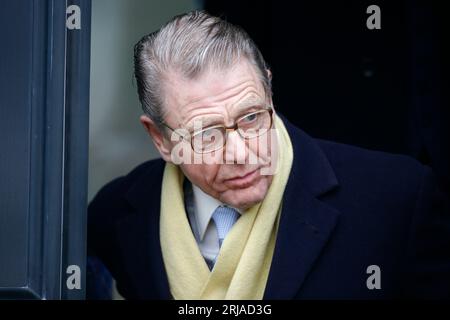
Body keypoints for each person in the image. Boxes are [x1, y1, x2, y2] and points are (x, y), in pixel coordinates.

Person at [87, 10, 450, 299]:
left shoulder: (396, 199)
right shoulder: (118, 214)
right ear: (160, 139)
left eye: (251, 118)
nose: (241, 153)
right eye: (206, 134)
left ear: (269, 92)